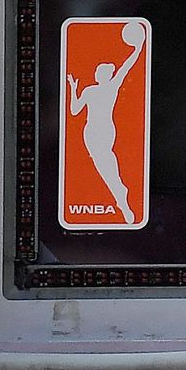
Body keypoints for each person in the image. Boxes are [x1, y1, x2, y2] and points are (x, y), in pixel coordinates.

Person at [67, 22, 146, 225]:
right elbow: (74, 111)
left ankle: (121, 196)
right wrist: (73, 88)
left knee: (105, 163)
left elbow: (126, 68)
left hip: (103, 130)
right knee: (104, 164)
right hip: (90, 131)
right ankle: (120, 193)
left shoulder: (111, 87)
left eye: (101, 72)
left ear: (105, 75)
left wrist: (139, 48)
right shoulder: (90, 90)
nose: (97, 74)